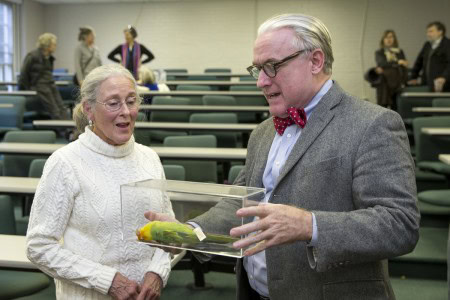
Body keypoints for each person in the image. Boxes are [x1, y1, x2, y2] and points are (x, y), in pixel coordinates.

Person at [146, 14, 420, 299]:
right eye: (257, 69)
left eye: (272, 67)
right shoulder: (262, 133)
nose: (261, 82)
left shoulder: (372, 124)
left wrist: (309, 225)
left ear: (315, 61)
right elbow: (241, 205)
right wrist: (191, 233)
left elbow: (400, 224)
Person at [26, 64, 174, 300]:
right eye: (113, 103)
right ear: (89, 109)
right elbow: (39, 246)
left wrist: (157, 273)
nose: (125, 111)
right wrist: (108, 281)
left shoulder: (150, 158)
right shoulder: (65, 163)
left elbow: (167, 230)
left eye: (132, 100)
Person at [18, 33, 69, 120]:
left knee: (62, 107)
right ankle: (63, 131)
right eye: (54, 44)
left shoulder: (49, 58)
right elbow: (23, 75)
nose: (55, 46)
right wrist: (28, 90)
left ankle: (68, 129)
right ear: (47, 45)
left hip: (50, 84)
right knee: (54, 110)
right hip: (40, 86)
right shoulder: (32, 56)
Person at [409, 21, 450, 92]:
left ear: (440, 32)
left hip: (443, 84)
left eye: (431, 31)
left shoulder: (447, 44)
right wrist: (413, 77)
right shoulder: (427, 45)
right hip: (427, 83)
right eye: (427, 32)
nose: (428, 34)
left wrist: (444, 77)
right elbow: (419, 62)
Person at [374, 30, 408, 110]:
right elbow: (382, 63)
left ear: (394, 39)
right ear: (383, 40)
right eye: (386, 37)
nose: (389, 39)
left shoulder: (399, 51)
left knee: (396, 107)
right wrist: (398, 62)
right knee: (382, 107)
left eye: (391, 37)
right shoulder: (379, 52)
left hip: (397, 82)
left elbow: (404, 65)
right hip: (384, 82)